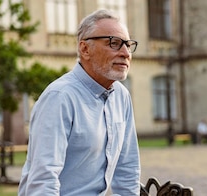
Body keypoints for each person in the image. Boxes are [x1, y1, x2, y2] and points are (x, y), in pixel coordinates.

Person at [18, 9, 141, 195]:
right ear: (85, 49)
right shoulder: (59, 97)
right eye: (114, 43)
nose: (125, 53)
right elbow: (44, 179)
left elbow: (127, 170)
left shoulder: (121, 96)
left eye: (128, 45)